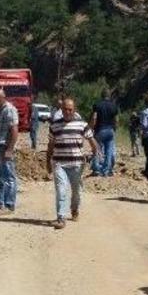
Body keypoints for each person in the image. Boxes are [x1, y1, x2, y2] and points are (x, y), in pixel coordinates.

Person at [47, 98, 100, 230]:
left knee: (76, 191)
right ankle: (61, 217)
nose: (67, 111)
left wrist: (95, 153)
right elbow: (50, 145)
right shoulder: (54, 126)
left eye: (70, 109)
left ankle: (74, 209)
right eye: (65, 109)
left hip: (77, 164)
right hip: (59, 163)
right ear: (61, 109)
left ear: (74, 110)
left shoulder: (82, 124)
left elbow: (91, 139)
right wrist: (48, 161)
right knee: (61, 189)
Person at [90, 89, 119, 177]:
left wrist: (91, 128)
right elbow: (117, 120)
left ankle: (96, 169)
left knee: (96, 149)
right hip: (110, 130)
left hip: (100, 130)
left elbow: (94, 117)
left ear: (101, 95)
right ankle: (106, 170)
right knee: (109, 150)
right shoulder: (114, 106)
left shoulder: (97, 105)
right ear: (109, 96)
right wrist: (114, 129)